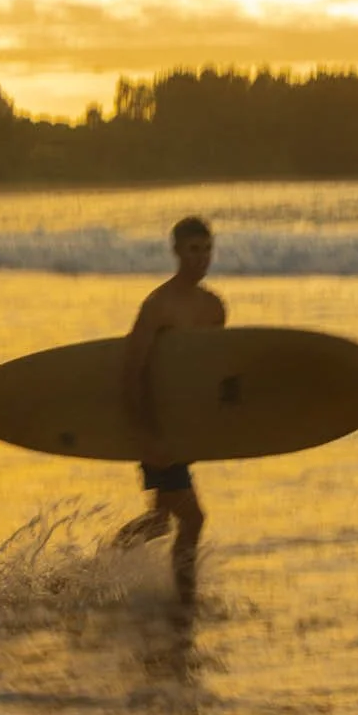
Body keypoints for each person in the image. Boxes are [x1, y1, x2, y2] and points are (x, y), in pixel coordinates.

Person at [113, 216, 224, 605]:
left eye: (207, 249)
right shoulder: (157, 306)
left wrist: (207, 429)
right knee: (193, 518)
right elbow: (132, 374)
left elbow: (207, 374)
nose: (201, 258)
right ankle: (185, 599)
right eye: (194, 249)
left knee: (160, 521)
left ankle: (106, 565)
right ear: (176, 251)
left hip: (181, 430)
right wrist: (147, 438)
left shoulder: (214, 308)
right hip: (155, 427)